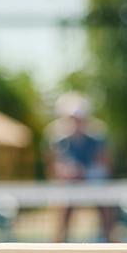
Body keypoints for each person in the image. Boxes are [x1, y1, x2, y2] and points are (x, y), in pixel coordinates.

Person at [46, 92, 118, 243]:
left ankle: (112, 244)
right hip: (69, 188)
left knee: (107, 212)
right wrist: (66, 173)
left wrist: (85, 173)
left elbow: (105, 165)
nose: (76, 122)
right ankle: (57, 249)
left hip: (95, 185)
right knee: (63, 212)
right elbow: (55, 168)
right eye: (72, 118)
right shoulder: (59, 140)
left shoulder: (97, 138)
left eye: (79, 118)